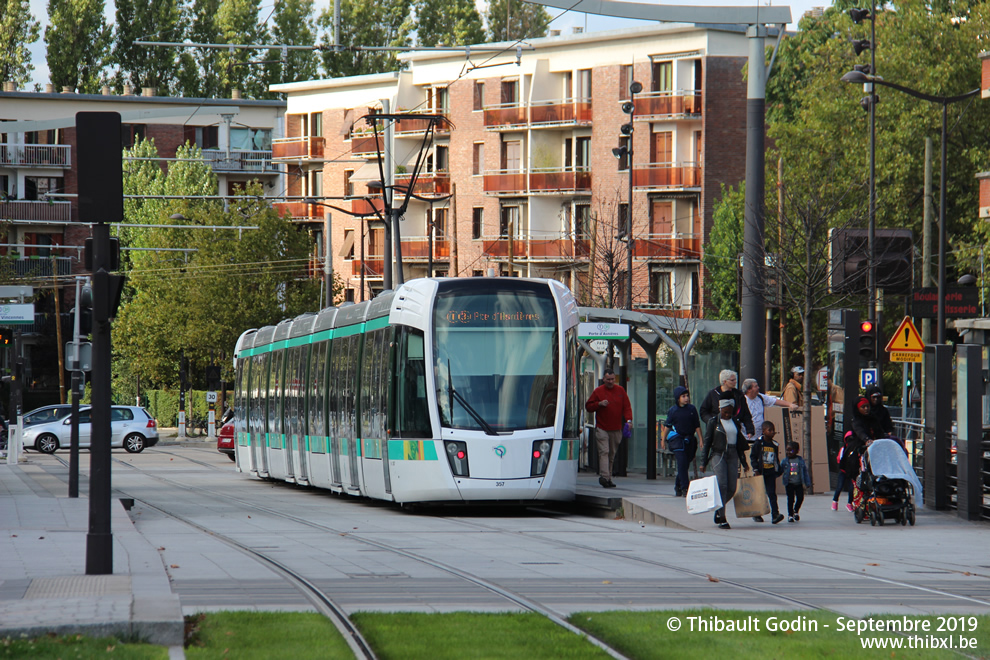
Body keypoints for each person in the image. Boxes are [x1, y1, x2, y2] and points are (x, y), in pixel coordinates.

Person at [701, 397, 750, 529]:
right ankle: (722, 517)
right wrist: (703, 462)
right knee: (722, 485)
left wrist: (744, 462)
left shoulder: (735, 422)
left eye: (730, 412)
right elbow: (707, 442)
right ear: (720, 409)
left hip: (733, 454)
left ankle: (718, 508)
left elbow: (739, 444)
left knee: (732, 488)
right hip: (719, 454)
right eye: (725, 412)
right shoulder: (713, 422)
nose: (727, 415)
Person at [585, 368, 632, 489]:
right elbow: (588, 406)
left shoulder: (620, 390)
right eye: (608, 379)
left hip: (616, 429)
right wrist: (599, 404)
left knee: (611, 454)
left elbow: (627, 407)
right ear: (604, 379)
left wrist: (629, 421)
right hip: (602, 428)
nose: (611, 381)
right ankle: (605, 477)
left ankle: (608, 478)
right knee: (604, 452)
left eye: (612, 379)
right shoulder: (598, 391)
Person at [661, 385, 704, 497]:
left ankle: (677, 485)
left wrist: (700, 440)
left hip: (690, 439)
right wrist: (663, 440)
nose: (686, 398)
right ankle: (685, 487)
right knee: (681, 462)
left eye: (687, 396)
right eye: (683, 396)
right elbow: (667, 426)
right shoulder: (673, 411)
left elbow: (697, 426)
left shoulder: (692, 409)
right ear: (678, 398)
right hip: (677, 440)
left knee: (685, 464)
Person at [699, 370, 755, 438]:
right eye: (732, 380)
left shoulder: (739, 395)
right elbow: (703, 411)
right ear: (724, 381)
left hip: (734, 429)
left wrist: (750, 430)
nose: (735, 382)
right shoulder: (713, 394)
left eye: (735, 379)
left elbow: (746, 414)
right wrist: (712, 422)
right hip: (717, 431)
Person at [749, 421, 785, 524]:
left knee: (772, 494)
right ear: (763, 431)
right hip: (760, 473)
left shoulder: (774, 445)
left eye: (773, 430)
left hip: (770, 473)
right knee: (759, 494)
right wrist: (755, 469)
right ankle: (757, 514)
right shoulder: (759, 443)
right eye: (770, 430)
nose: (772, 432)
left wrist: (778, 471)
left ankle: (775, 515)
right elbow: (753, 457)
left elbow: (775, 459)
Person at [832, 429, 864, 512]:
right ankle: (835, 502)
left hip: (851, 472)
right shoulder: (844, 449)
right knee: (839, 487)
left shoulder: (856, 449)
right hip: (843, 471)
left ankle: (849, 503)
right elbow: (839, 459)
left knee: (851, 489)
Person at [780, 441, 811, 522]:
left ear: (797, 451)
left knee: (800, 497)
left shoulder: (800, 460)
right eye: (787, 450)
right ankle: (790, 515)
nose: (789, 452)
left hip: (798, 483)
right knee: (790, 499)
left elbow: (805, 472)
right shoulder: (785, 461)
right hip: (789, 483)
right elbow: (780, 470)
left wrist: (807, 482)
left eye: (791, 450)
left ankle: (795, 511)